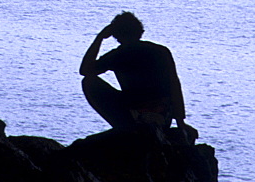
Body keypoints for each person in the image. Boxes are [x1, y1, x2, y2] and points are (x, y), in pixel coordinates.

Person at [79, 11, 196, 140]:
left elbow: (85, 70)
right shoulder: (161, 51)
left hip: (132, 115)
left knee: (88, 82)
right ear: (140, 32)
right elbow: (174, 85)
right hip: (163, 117)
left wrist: (100, 37)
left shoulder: (119, 55)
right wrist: (180, 122)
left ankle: (124, 128)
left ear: (116, 35)